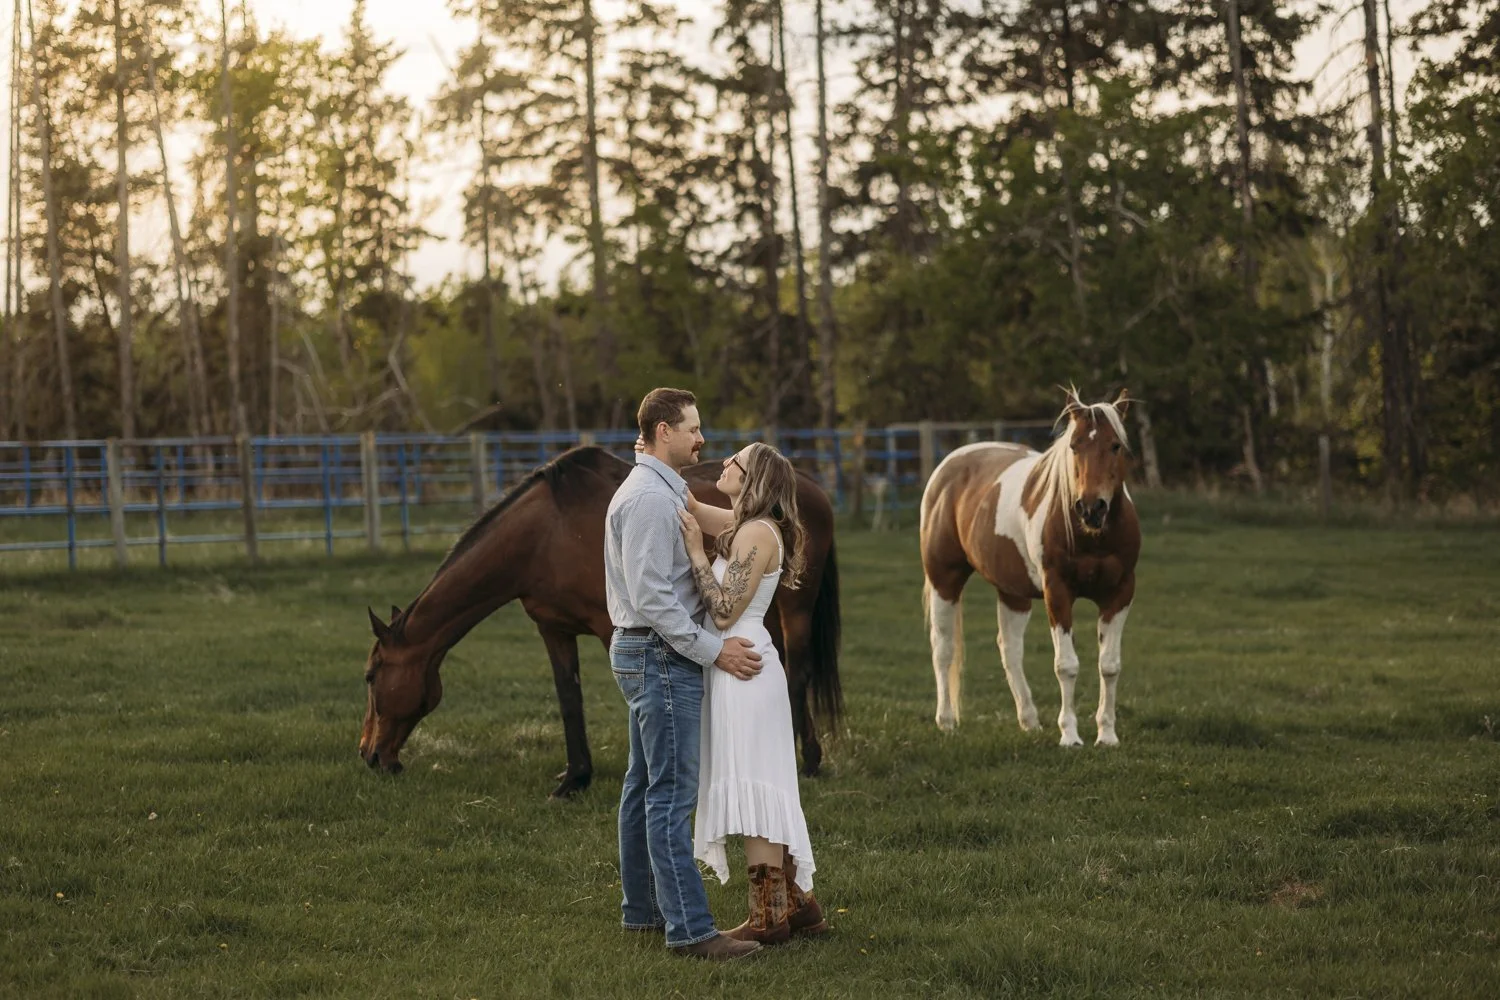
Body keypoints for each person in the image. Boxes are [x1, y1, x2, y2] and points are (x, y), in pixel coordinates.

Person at [603, 387, 766, 962]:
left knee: (643, 787)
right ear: (663, 432)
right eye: (693, 429)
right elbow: (653, 598)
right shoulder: (649, 498)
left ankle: (643, 912)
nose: (702, 439)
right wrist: (712, 650)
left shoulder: (659, 489)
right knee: (670, 797)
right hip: (660, 656)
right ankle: (692, 931)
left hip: (647, 653)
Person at [676, 441, 830, 945]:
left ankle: (768, 920)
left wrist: (698, 553)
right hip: (737, 669)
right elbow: (694, 507)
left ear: (754, 477)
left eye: (734, 462)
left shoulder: (758, 535)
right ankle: (800, 908)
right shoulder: (747, 526)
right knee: (755, 784)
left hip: (745, 671)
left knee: (756, 789)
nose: (724, 463)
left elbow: (722, 611)